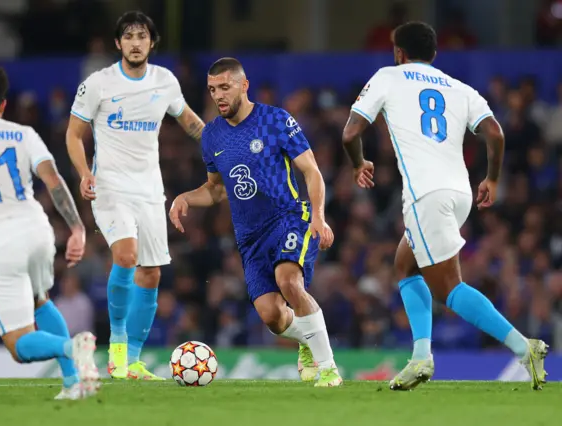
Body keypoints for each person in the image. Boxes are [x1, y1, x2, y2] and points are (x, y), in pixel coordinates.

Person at [342, 21, 548, 391]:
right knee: (405, 263)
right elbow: (496, 133)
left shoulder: (389, 76)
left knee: (448, 287)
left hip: (427, 195)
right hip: (460, 194)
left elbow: (350, 132)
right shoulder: (460, 88)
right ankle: (421, 356)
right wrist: (494, 179)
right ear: (434, 54)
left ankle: (523, 346)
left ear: (399, 53)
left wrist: (359, 164)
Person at [169, 57, 342, 387]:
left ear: (243, 85)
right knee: (272, 317)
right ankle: (306, 339)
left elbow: (311, 171)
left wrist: (318, 216)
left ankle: (329, 368)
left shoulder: (275, 120)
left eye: (224, 87)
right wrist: (187, 197)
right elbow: (217, 190)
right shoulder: (212, 136)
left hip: (289, 217)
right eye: (212, 90)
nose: (218, 96)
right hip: (250, 237)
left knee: (289, 281)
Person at [0, 63, 100, 399]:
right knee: (41, 301)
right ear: (3, 104)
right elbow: (53, 180)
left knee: (17, 343)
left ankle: (73, 347)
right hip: (37, 229)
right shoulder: (23, 133)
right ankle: (73, 385)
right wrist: (77, 227)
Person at [66, 10, 205, 380]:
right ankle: (117, 347)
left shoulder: (165, 81)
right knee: (125, 256)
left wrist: (223, 145)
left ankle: (134, 362)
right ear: (118, 44)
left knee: (151, 273)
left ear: (152, 42)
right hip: (109, 186)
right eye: (128, 36)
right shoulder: (99, 83)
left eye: (142, 36)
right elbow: (73, 134)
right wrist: (83, 172)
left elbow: (189, 121)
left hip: (149, 189)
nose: (136, 42)